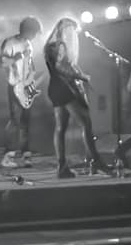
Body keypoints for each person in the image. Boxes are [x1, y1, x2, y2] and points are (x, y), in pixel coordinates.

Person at [43, 18, 108, 179]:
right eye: (71, 30)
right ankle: (96, 162)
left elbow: (62, 66)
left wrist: (77, 74)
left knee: (60, 128)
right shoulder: (59, 45)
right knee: (85, 122)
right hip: (64, 89)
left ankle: (62, 166)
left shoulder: (50, 45)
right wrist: (81, 76)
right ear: (65, 29)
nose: (73, 35)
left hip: (55, 88)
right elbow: (60, 67)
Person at [0, 16, 42, 168]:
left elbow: (30, 64)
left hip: (26, 86)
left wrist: (31, 79)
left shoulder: (28, 44)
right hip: (15, 85)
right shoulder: (10, 43)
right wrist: (16, 57)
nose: (35, 36)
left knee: (26, 122)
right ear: (27, 30)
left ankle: (26, 154)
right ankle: (8, 156)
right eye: (34, 32)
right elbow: (3, 62)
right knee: (15, 120)